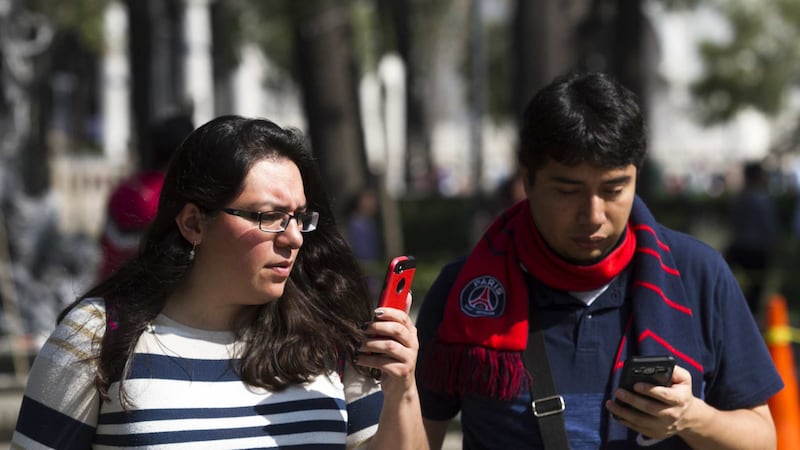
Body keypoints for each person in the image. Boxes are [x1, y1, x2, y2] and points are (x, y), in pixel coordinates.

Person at [12, 116, 428, 449]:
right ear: (194, 223)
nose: (295, 237)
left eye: (300, 217)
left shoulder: (330, 336)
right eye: (270, 216)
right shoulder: (98, 337)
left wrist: (402, 389)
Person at [415, 72, 782, 449]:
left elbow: (763, 439)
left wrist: (692, 418)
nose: (592, 215)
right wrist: (399, 388)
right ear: (527, 180)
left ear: (636, 177)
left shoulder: (696, 274)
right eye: (567, 191)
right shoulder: (467, 291)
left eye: (613, 189)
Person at [97, 114, 194, 280]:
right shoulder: (175, 195)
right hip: (150, 288)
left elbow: (105, 242)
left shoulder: (123, 188)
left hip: (110, 283)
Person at [724, 161, 778, 316]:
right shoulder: (762, 201)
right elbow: (769, 227)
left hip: (739, 247)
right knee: (755, 288)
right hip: (756, 250)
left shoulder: (738, 200)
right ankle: (748, 315)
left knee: (733, 283)